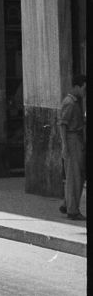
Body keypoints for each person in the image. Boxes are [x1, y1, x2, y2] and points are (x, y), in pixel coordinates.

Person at [58, 75, 86, 220]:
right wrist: (64, 146)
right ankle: (72, 210)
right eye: (83, 88)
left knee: (76, 175)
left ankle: (67, 203)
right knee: (74, 176)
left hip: (76, 139)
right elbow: (63, 124)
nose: (84, 91)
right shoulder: (70, 103)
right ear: (77, 87)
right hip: (72, 140)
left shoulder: (76, 102)